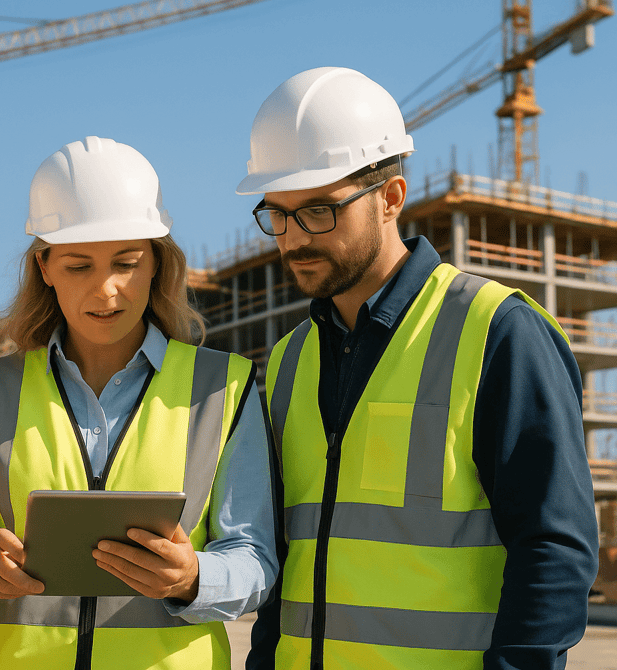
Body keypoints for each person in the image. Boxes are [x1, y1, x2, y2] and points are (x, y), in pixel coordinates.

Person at [237, 66, 599, 670]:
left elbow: (555, 547)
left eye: (320, 212)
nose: (293, 239)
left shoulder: (498, 331)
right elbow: (286, 556)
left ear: (391, 198)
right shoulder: (288, 358)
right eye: (277, 213)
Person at [0, 135, 278, 669]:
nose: (107, 290)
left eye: (126, 263)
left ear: (157, 265)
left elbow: (254, 557)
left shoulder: (223, 387)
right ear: (44, 268)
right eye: (78, 266)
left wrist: (193, 579)